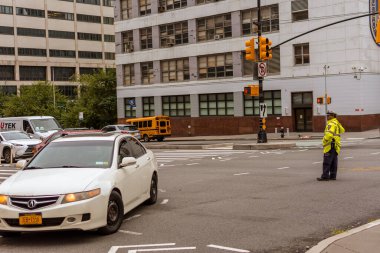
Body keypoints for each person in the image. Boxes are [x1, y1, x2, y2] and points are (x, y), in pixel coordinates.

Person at [317, 111, 345, 181]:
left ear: (332, 116)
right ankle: (333, 175)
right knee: (333, 161)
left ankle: (325, 176)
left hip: (330, 145)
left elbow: (329, 134)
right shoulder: (336, 123)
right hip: (335, 145)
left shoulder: (331, 124)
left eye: (328, 115)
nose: (327, 117)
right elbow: (342, 130)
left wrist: (325, 140)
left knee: (327, 162)